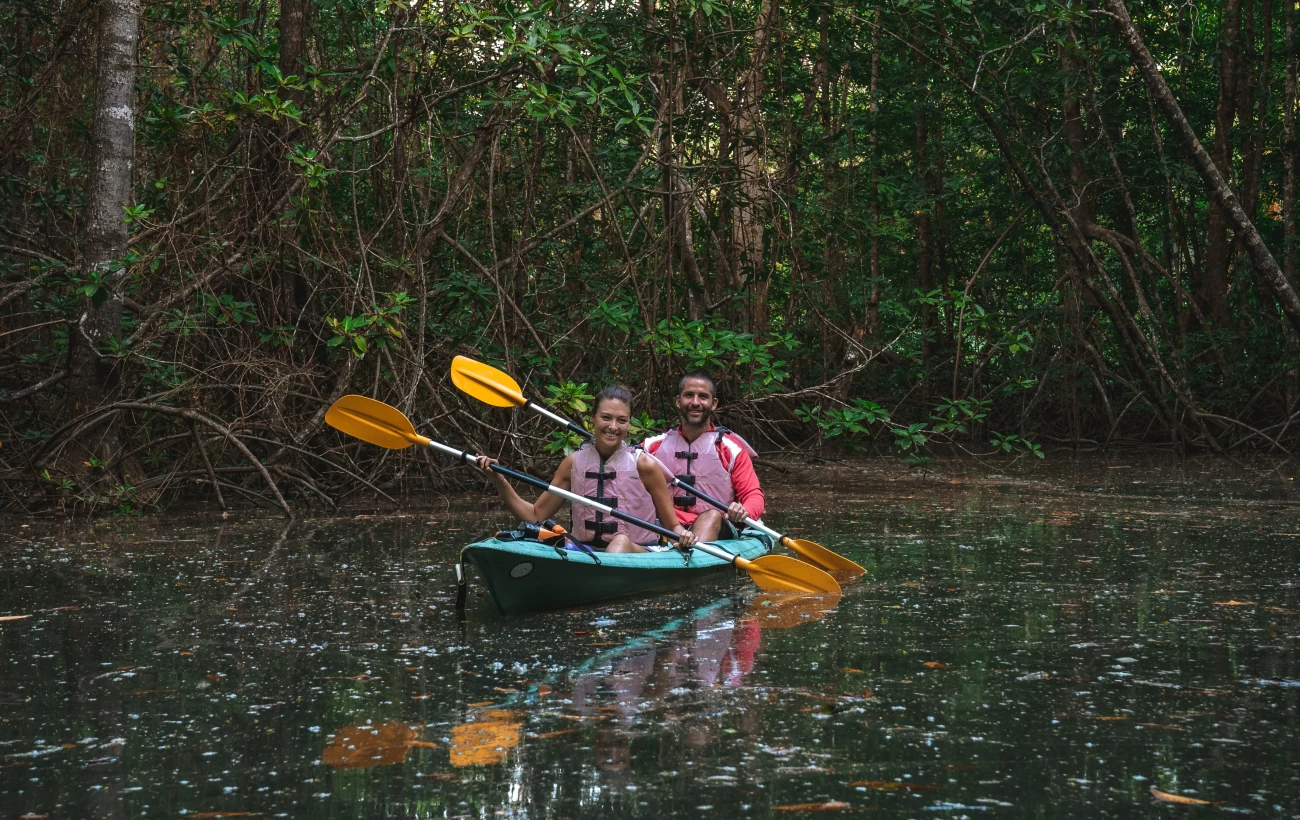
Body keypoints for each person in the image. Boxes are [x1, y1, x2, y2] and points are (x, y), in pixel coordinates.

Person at [475, 385, 697, 554]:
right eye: (606, 418)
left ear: (629, 425)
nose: (613, 427)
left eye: (622, 420)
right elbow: (534, 515)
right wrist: (500, 481)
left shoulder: (644, 465)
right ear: (592, 420)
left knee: (619, 542)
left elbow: (672, 526)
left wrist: (684, 536)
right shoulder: (574, 462)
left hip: (638, 553)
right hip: (586, 551)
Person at [643, 371, 764, 541]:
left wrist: (745, 511)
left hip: (716, 526)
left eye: (703, 397)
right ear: (678, 401)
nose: (695, 402)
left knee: (712, 516)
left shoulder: (730, 449)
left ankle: (691, 559)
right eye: (689, 395)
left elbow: (753, 494)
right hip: (665, 525)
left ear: (713, 403)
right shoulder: (651, 447)